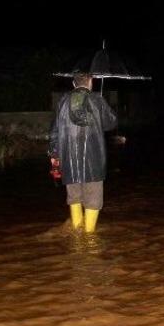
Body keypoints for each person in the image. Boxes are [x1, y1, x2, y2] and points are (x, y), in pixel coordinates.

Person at [48, 72, 118, 233]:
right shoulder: (97, 100)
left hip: (69, 160)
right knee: (93, 199)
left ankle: (77, 237)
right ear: (91, 82)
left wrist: (54, 155)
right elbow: (111, 123)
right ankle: (89, 238)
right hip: (94, 160)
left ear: (74, 84)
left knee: (74, 197)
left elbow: (54, 132)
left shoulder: (63, 101)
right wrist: (104, 106)